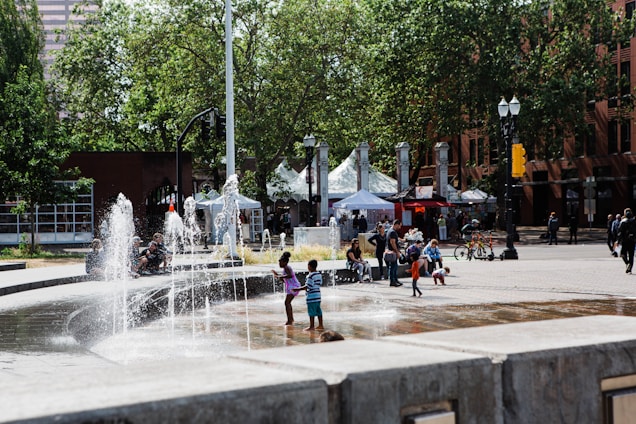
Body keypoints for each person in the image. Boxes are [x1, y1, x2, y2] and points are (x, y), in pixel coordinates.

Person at [293, 259, 324, 331]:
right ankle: (321, 325)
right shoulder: (319, 274)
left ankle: (312, 326)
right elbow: (320, 283)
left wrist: (297, 289)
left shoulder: (310, 276)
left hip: (311, 297)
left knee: (311, 311)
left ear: (309, 266)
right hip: (318, 296)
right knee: (318, 310)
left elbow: (307, 286)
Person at [272, 251, 301, 325]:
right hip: (291, 287)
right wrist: (277, 275)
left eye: (281, 262)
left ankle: (290, 320)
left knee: (287, 303)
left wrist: (280, 276)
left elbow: (290, 275)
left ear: (285, 262)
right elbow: (284, 279)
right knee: (288, 303)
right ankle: (291, 319)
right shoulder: (285, 269)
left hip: (293, 287)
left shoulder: (287, 268)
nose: (279, 264)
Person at [616, 208, 636, 274]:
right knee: (631, 255)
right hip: (632, 241)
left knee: (623, 254)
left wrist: (618, 241)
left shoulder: (623, 222)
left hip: (625, 241)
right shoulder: (634, 221)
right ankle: (629, 268)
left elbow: (620, 233)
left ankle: (627, 263)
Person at [386, 219, 403, 287]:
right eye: (399, 226)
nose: (400, 227)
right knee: (393, 267)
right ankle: (392, 281)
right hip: (392, 252)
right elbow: (392, 242)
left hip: (391, 251)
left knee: (395, 266)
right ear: (396, 224)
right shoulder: (392, 232)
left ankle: (395, 280)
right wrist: (397, 252)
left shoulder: (390, 231)